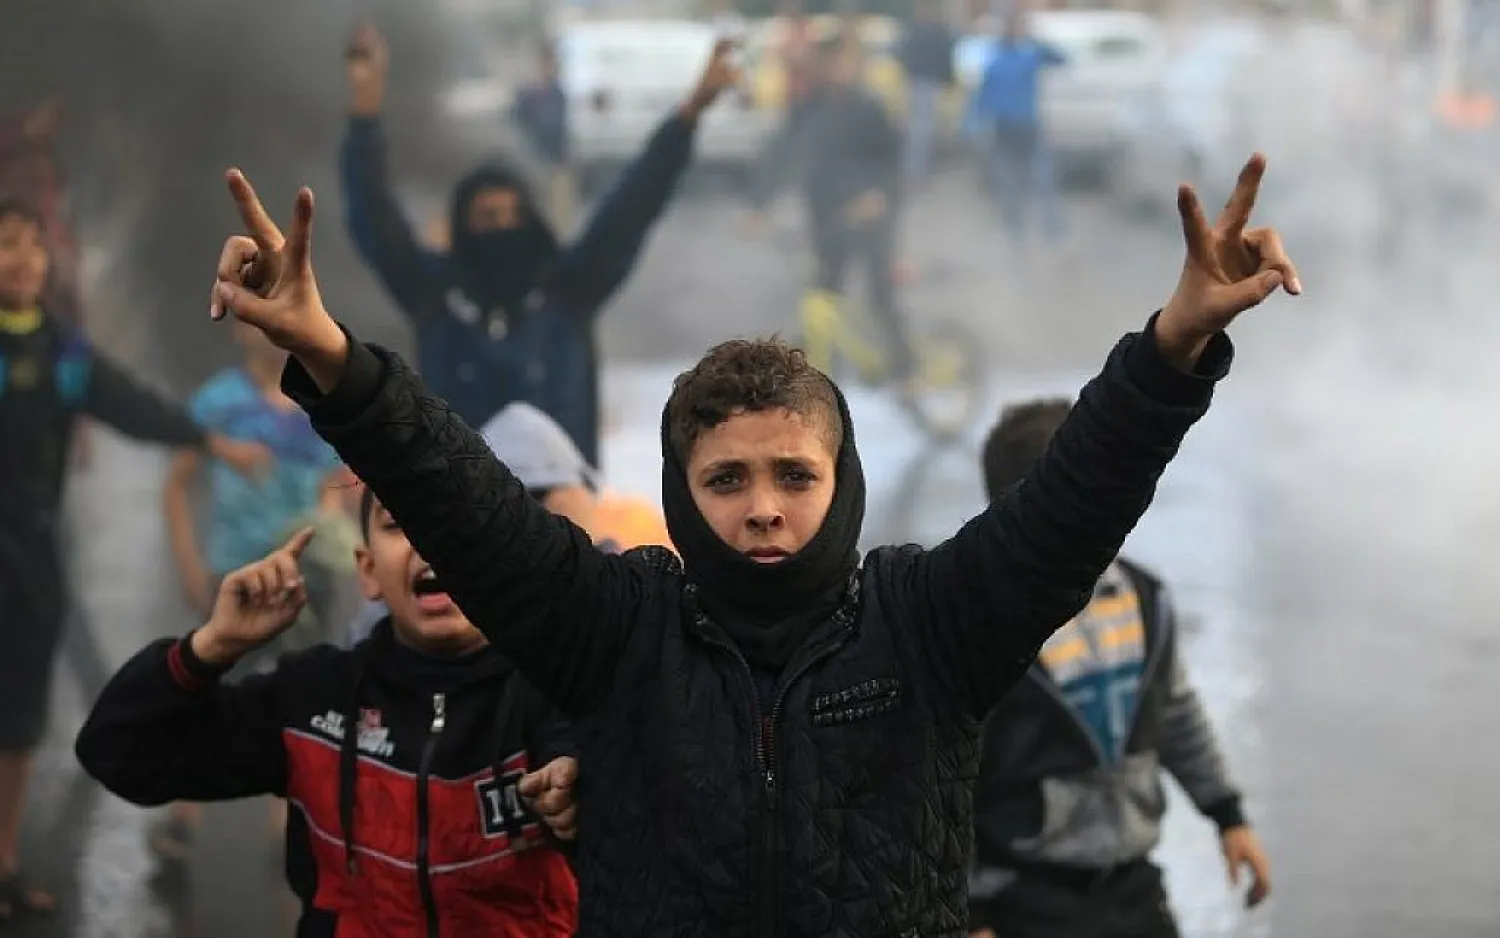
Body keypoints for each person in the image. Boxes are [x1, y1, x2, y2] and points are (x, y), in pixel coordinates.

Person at [207, 151, 1299, 936]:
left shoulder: (929, 624)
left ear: (841, 480)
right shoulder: (619, 628)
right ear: (682, 495)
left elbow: (1071, 502)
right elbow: (465, 502)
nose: (763, 507)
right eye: (726, 479)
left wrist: (1175, 344)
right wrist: (331, 356)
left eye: (794, 475)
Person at [76, 495, 581, 937]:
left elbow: (610, 794)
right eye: (399, 523)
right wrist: (209, 647)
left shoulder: (564, 689)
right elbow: (117, 755)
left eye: (457, 519)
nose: (430, 540)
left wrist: (580, 792)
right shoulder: (314, 698)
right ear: (368, 571)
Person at [0, 199, 268, 921]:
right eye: (6, 244)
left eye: (32, 246)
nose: (22, 259)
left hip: (30, 558)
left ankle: (4, 866)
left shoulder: (62, 352)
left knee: (19, 718)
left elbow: (129, 403)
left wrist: (207, 440)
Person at [340, 24, 738, 465]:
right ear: (463, 228)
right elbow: (373, 217)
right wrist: (364, 116)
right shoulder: (434, 294)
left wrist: (690, 112)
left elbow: (633, 205)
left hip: (561, 498)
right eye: (487, 217)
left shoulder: (569, 287)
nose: (502, 227)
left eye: (512, 215)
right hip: (456, 497)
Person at [968, 398, 1273, 938]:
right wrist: (969, 912)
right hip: (1023, 895)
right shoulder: (982, 621)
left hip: (1132, 884)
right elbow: (945, 775)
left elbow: (1175, 712)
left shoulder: (1142, 598)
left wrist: (1227, 814)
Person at [154, 315, 361, 868]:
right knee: (209, 694)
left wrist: (332, 524)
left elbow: (336, 484)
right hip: (236, 574)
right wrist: (189, 564)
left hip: (305, 579)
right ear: (239, 330)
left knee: (302, 699)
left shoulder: (320, 404)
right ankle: (182, 820)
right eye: (258, 323)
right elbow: (176, 485)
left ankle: (288, 827)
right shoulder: (218, 402)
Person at [794, 37, 912, 382]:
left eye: (844, 61)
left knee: (880, 296)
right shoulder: (809, 109)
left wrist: (878, 195)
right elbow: (782, 153)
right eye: (831, 62)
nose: (838, 69)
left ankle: (904, 368)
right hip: (829, 219)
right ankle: (827, 376)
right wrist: (758, 206)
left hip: (871, 218)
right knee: (823, 297)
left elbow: (892, 162)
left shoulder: (870, 109)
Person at [969, 10, 1066, 246]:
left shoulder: (994, 62)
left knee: (1009, 178)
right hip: (1027, 125)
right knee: (1040, 175)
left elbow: (981, 99)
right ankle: (1051, 225)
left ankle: (1015, 226)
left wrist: (975, 126)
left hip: (1004, 127)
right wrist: (1036, 39)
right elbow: (1061, 59)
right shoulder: (1029, 57)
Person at [509, 40, 575, 234]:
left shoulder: (559, 94)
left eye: (551, 64)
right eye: (545, 64)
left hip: (557, 159)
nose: (548, 69)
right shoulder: (526, 95)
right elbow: (517, 124)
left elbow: (562, 126)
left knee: (560, 213)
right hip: (532, 160)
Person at [897, 0, 957, 187]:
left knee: (923, 130)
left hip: (929, 83)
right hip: (920, 83)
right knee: (920, 131)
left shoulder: (931, 32)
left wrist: (947, 80)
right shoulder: (918, 32)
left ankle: (919, 170)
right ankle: (915, 172)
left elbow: (945, 57)